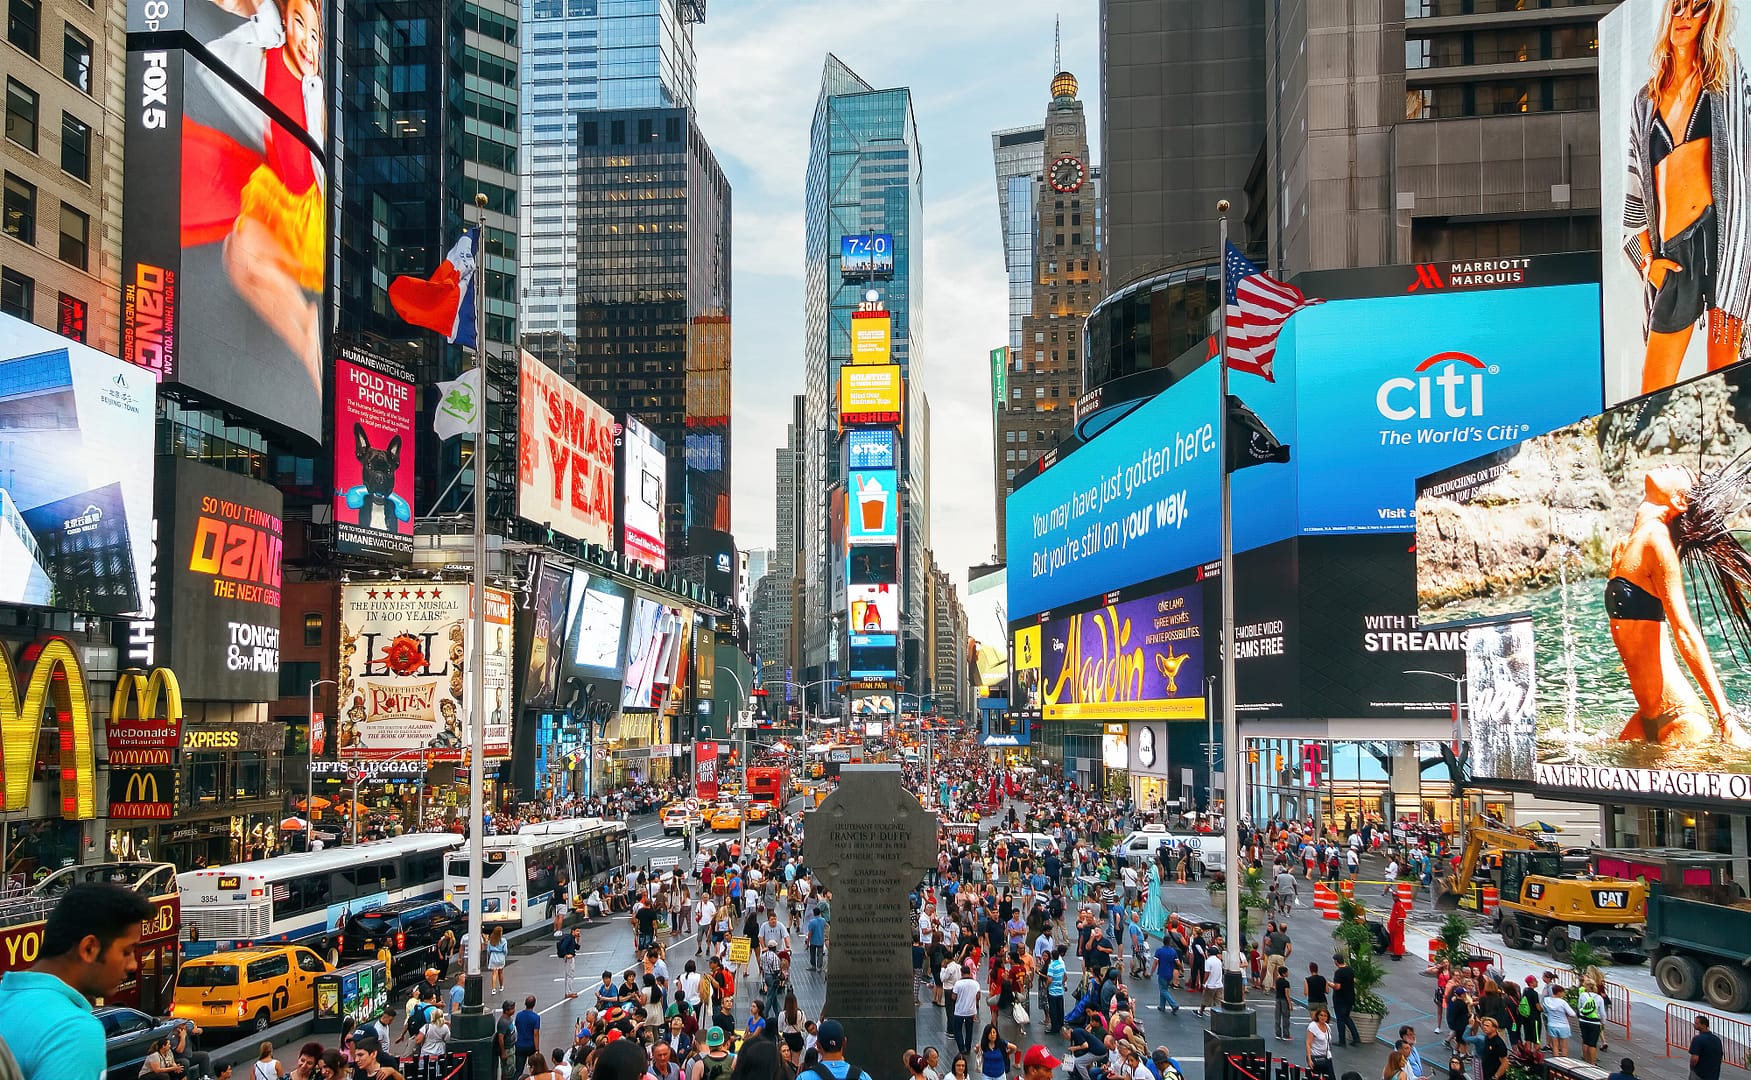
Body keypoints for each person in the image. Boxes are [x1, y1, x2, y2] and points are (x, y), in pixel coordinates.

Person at [1623, 0, 1751, 396]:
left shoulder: (1726, 81)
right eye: (1677, 9)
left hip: (1722, 245)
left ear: (1709, 18)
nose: (1684, 18)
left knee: (1724, 391)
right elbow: (1634, 192)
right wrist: (1649, 264)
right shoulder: (1646, 100)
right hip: (1674, 254)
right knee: (1653, 393)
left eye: (1697, 10)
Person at [1609, 461, 1751, 746]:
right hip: (1646, 717)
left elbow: (1685, 631)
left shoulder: (1656, 542)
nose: (1668, 464)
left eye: (1678, 469)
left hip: (1679, 718)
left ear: (1679, 500)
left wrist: (1726, 719)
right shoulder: (1625, 543)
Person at [0, 882, 154, 1080]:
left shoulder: (7, 998)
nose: (133, 964)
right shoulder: (74, 1029)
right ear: (89, 948)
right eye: (127, 951)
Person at [1331, 953, 1361, 1048]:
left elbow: (1337, 986)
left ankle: (1342, 1040)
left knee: (1340, 1019)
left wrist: (1328, 983)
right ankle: (1356, 1037)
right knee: (1347, 1017)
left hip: (1340, 998)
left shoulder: (1339, 972)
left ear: (1336, 961)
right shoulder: (1350, 970)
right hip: (1350, 997)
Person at [1576, 982, 1606, 1064]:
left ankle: (1585, 1060)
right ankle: (1592, 1063)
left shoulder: (1582, 995)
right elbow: (1602, 1012)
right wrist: (1603, 1022)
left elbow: (1579, 1007)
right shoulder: (1599, 998)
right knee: (1592, 1043)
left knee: (1585, 1041)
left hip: (1583, 1020)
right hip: (1594, 1022)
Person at [514, 995, 542, 1076]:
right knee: (534, 1069)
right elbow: (536, 1034)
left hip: (519, 1045)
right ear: (534, 1005)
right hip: (530, 1046)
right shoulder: (536, 1017)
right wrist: (537, 1049)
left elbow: (517, 1028)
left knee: (518, 1070)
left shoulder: (519, 1015)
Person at [1690, 1015, 1725, 1080]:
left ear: (1704, 1025)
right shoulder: (1717, 1039)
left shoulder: (1697, 1039)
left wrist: (1692, 1068)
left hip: (1699, 1074)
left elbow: (1694, 1058)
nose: (1694, 1025)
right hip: (1713, 1075)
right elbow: (1720, 1056)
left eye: (1697, 1023)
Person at [1306, 1007, 1335, 1080]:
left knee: (1331, 1077)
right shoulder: (1313, 1026)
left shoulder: (1327, 1027)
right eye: (1321, 1015)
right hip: (1315, 1057)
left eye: (1325, 1016)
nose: (1323, 1017)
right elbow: (1308, 1043)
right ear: (1317, 1016)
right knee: (1315, 1077)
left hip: (1326, 1057)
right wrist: (1309, 1059)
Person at [1273, 961, 1294, 1042]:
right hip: (1284, 1000)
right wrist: (1290, 1004)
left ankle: (1278, 1034)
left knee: (1277, 1017)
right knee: (1285, 1017)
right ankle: (1286, 1034)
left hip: (1278, 999)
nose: (1288, 973)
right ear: (1284, 973)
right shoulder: (1286, 982)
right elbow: (1287, 994)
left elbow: (1275, 988)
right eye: (1287, 972)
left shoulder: (1277, 981)